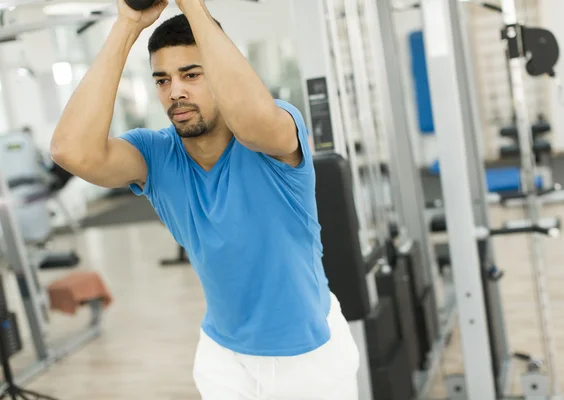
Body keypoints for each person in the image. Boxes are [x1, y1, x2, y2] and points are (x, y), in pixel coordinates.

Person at [50, 0, 360, 399]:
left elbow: (249, 121)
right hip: (223, 354)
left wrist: (192, 5)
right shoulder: (155, 154)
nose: (175, 91)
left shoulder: (274, 133)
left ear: (217, 71)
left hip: (308, 354)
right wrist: (127, 25)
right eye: (162, 80)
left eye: (191, 74)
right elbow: (70, 151)